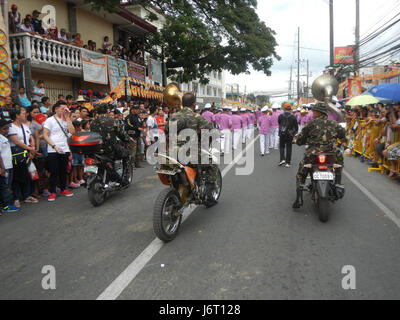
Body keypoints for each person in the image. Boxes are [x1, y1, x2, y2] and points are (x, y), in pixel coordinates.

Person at [164, 93, 219, 204]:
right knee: (212, 165)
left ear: (182, 103)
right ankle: (209, 196)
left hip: (172, 153)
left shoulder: (173, 116)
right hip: (191, 155)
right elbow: (211, 131)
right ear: (194, 104)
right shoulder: (197, 117)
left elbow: (166, 130)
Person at [292, 102, 346, 209]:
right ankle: (338, 183)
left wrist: (297, 141)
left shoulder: (310, 124)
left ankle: (299, 198)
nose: (312, 113)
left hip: (313, 154)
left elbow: (300, 140)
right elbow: (343, 134)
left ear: (317, 112)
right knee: (339, 164)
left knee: (301, 173)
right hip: (330, 153)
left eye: (314, 111)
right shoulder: (334, 123)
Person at [42, 101, 76, 202]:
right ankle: (52, 191)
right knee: (54, 171)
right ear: (56, 109)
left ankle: (63, 189)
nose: (64, 110)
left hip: (64, 148)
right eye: (62, 108)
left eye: (66, 108)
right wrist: (54, 146)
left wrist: (68, 117)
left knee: (63, 170)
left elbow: (72, 132)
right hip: (53, 149)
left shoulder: (66, 120)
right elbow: (45, 135)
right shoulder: (50, 120)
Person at [90, 103, 132, 183]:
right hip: (110, 148)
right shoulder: (112, 121)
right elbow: (121, 134)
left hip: (96, 149)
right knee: (126, 154)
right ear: (107, 111)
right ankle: (125, 177)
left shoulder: (92, 122)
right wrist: (127, 140)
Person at [8, 107, 39, 207]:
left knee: (27, 175)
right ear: (17, 115)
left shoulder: (24, 126)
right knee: (17, 176)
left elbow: (31, 138)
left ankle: (27, 195)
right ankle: (16, 198)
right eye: (22, 113)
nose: (25, 115)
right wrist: (30, 149)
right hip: (17, 154)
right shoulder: (11, 127)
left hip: (28, 152)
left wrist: (32, 148)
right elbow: (16, 141)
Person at [0, 118, 20, 213]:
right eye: (4, 129)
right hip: (4, 167)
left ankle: (5, 203)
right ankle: (6, 206)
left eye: (7, 128)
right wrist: (2, 168)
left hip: (9, 165)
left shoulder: (5, 138)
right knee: (5, 186)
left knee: (7, 185)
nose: (7, 130)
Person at [278, 103, 298, 168]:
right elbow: (296, 127)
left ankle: (282, 159)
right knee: (289, 147)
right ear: (290, 109)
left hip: (282, 134)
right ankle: (288, 162)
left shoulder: (280, 116)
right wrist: (294, 134)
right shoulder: (293, 117)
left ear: (284, 108)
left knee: (281, 147)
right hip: (290, 134)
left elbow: (279, 123)